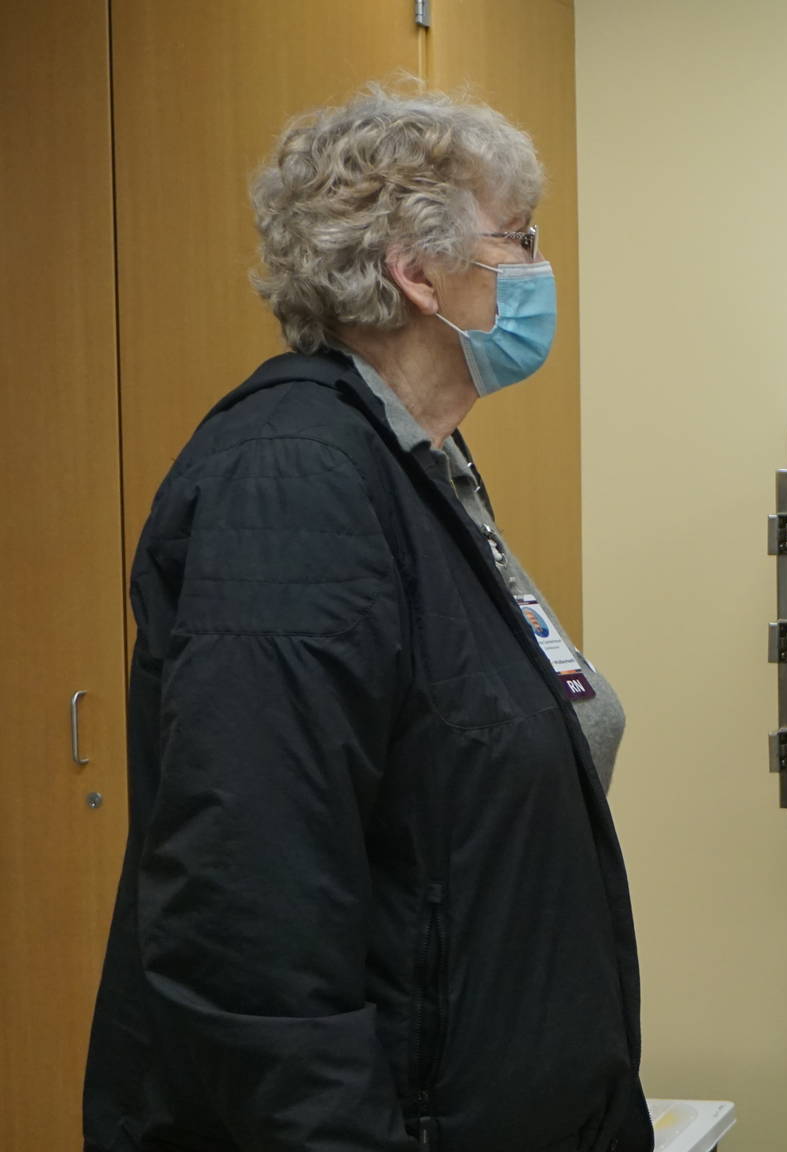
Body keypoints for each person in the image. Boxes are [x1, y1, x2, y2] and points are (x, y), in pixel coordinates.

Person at [82, 85, 653, 1152]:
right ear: (415, 272)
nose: (536, 267)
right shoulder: (294, 483)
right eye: (516, 238)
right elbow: (248, 902)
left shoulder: (416, 463)